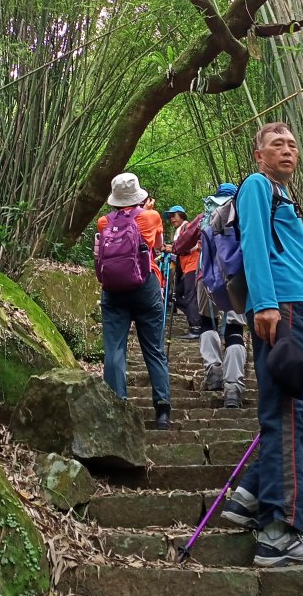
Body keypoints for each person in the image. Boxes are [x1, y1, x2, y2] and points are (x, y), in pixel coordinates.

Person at [220, 123, 303, 567]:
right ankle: (280, 532)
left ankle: (251, 492)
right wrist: (268, 304)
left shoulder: (285, 195)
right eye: (277, 144)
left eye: (293, 144)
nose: (288, 150)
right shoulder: (256, 186)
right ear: (259, 155)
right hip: (284, 307)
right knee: (290, 417)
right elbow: (255, 242)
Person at [96, 173, 172, 429]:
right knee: (154, 348)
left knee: (115, 349)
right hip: (145, 287)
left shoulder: (103, 222)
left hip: (113, 290)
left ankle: (117, 408)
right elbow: (159, 246)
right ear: (137, 195)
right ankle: (162, 410)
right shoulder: (151, 217)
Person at [196, 182, 248, 408]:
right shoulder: (243, 214)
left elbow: (182, 244)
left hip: (206, 279)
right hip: (237, 281)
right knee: (235, 331)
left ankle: (213, 369)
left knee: (207, 322)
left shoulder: (206, 215)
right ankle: (233, 388)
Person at [163, 205, 202, 339]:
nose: (172, 219)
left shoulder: (188, 227)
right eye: (170, 217)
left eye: (174, 215)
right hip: (186, 268)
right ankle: (197, 317)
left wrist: (173, 249)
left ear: (182, 215)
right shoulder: (179, 230)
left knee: (190, 295)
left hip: (193, 266)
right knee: (173, 296)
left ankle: (196, 327)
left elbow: (195, 246)